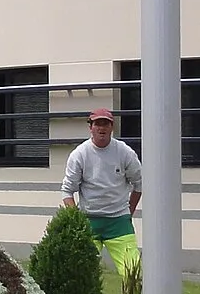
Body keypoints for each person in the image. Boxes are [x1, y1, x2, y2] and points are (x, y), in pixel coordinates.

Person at [61, 106, 143, 272]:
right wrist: (78, 221)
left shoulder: (125, 152)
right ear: (90, 127)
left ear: (112, 127)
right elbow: (67, 191)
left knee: (133, 273)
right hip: (89, 221)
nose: (102, 128)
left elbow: (139, 184)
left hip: (119, 222)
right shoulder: (79, 154)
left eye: (106, 124)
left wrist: (128, 212)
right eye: (97, 124)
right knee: (83, 274)